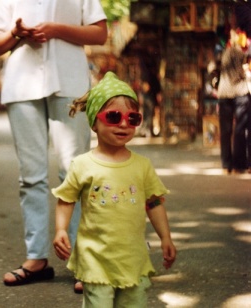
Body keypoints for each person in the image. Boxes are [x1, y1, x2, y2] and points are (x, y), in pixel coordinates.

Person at [0, 0, 108, 292]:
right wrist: (17, 33)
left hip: (70, 82)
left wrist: (55, 30)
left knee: (75, 172)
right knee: (31, 175)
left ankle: (82, 259)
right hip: (21, 85)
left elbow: (99, 34)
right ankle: (36, 258)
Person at [52, 72, 177, 307]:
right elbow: (66, 199)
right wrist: (61, 229)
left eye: (133, 119)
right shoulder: (82, 164)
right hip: (94, 258)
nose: (123, 124)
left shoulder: (142, 166)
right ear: (94, 122)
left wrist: (165, 237)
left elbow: (154, 202)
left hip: (132, 258)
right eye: (113, 116)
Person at [216, 31, 250, 174]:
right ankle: (239, 165)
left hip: (224, 93)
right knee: (239, 130)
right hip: (240, 92)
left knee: (225, 130)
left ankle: (226, 165)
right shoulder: (244, 55)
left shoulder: (222, 54)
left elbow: (214, 69)